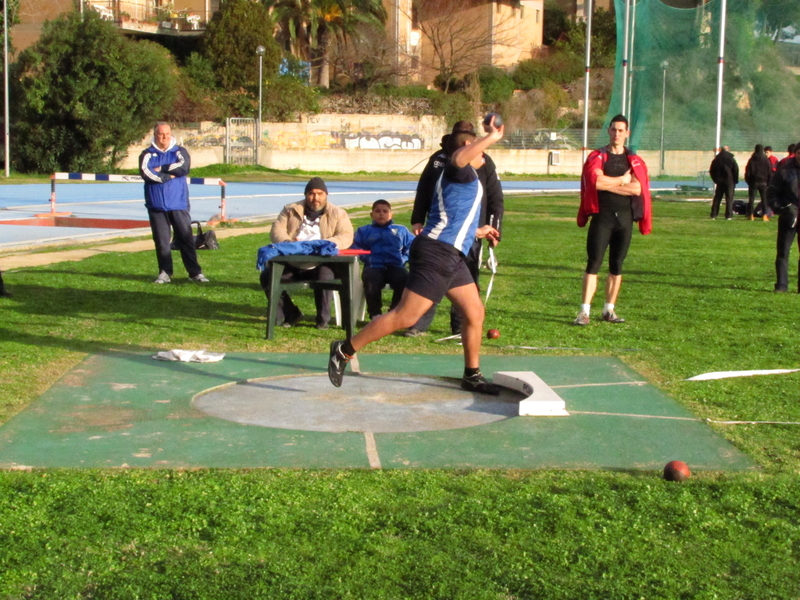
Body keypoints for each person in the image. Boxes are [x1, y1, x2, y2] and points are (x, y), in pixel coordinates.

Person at [328, 118, 504, 394]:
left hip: (450, 253)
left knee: (474, 313)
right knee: (405, 316)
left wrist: (479, 231)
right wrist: (492, 136)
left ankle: (472, 374)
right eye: (481, 151)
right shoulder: (458, 169)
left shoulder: (467, 178)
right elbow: (459, 157)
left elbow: (454, 218)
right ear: (470, 147)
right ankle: (344, 349)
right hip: (437, 252)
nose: (485, 157)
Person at [405, 120, 504, 337]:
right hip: (440, 242)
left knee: (474, 309)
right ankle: (349, 347)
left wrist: (491, 229)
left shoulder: (483, 164)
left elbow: (496, 198)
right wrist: (417, 219)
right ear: (467, 143)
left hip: (466, 236)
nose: (483, 155)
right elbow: (423, 189)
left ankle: (464, 337)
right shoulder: (451, 163)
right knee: (412, 307)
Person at [573, 114, 651, 326]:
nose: (617, 134)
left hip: (624, 220)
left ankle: (609, 310)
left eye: (620, 130)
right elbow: (595, 183)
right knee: (594, 264)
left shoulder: (633, 160)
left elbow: (637, 188)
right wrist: (623, 180)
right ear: (608, 131)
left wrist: (612, 184)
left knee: (617, 265)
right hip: (602, 218)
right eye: (613, 129)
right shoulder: (598, 156)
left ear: (627, 133)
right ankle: (584, 312)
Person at [261, 177, 354, 329]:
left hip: (321, 263)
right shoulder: (290, 210)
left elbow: (346, 235)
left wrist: (324, 245)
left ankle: (323, 320)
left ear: (326, 195)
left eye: (320, 193)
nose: (315, 198)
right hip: (292, 262)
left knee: (325, 276)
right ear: (305, 195)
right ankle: (290, 313)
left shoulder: (338, 213)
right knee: (267, 276)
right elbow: (277, 230)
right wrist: (290, 244)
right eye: (311, 193)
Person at [139, 122, 208, 284]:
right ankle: (165, 272)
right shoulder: (147, 154)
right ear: (155, 135)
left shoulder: (179, 151)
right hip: (156, 205)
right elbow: (146, 172)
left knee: (186, 239)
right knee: (162, 241)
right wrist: (166, 176)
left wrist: (161, 168)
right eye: (161, 134)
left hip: (178, 204)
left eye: (167, 133)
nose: (164, 137)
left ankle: (195, 273)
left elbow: (183, 168)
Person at [351, 199, 415, 319]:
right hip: (374, 265)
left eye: (385, 211)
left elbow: (413, 245)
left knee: (404, 279)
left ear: (391, 214)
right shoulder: (364, 231)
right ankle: (375, 314)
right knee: (371, 281)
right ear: (371, 214)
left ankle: (395, 311)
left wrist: (404, 258)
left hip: (395, 265)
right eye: (377, 211)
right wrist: (366, 258)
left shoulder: (400, 230)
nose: (381, 214)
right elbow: (355, 246)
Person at [767, 142, 800, 293]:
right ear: (796, 154)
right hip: (789, 216)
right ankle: (781, 285)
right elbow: (772, 193)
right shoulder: (784, 171)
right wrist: (782, 209)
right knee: (783, 252)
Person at [709, 145, 739, 220]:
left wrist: (715, 179)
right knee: (729, 198)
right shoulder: (731, 159)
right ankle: (728, 215)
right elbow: (735, 170)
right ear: (728, 150)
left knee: (717, 198)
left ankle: (714, 214)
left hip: (720, 181)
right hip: (729, 181)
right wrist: (735, 180)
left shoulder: (716, 159)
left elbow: (712, 170)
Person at [744, 144, 772, 221]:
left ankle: (751, 215)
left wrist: (748, 181)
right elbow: (769, 172)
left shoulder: (752, 160)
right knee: (764, 200)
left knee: (751, 199)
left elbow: (747, 172)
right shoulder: (766, 160)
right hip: (763, 182)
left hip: (753, 182)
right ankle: (765, 215)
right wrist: (768, 182)